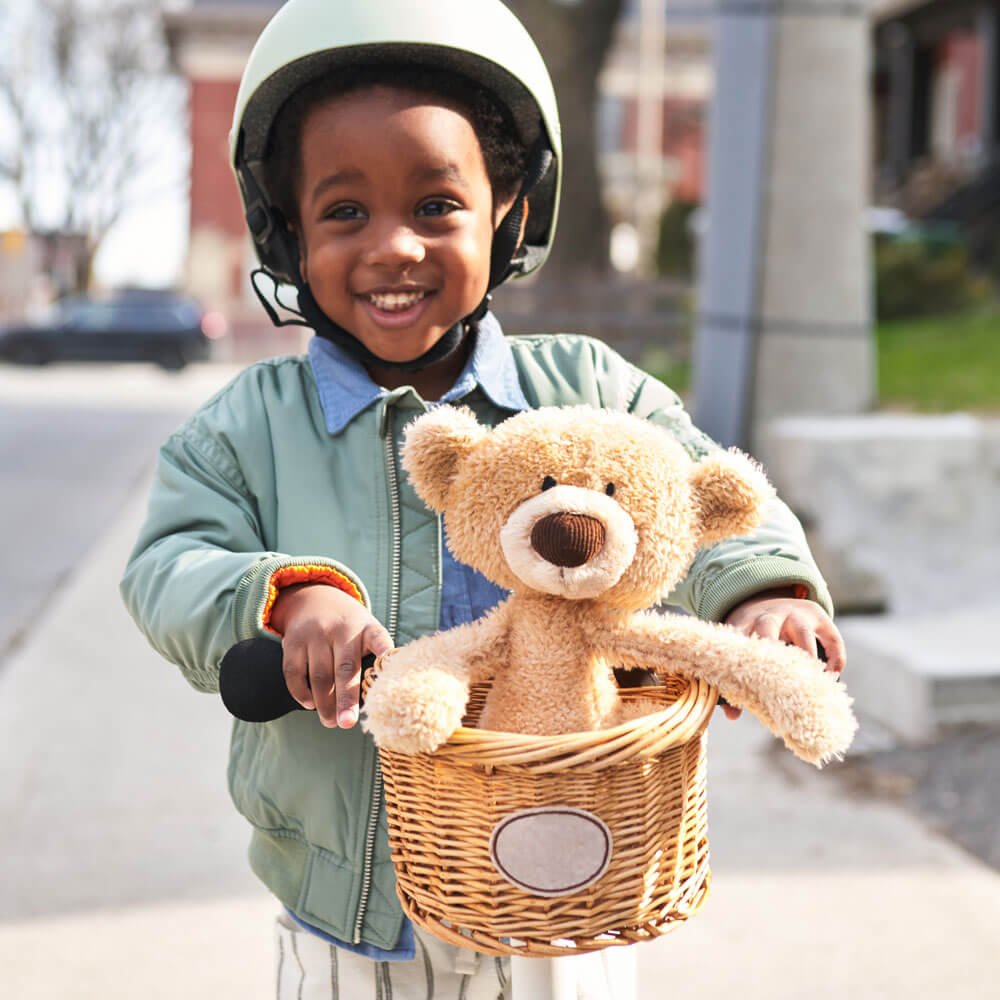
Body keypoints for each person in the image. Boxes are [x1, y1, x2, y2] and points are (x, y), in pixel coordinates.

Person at [120, 0, 846, 996]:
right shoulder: (248, 427)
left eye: (435, 207)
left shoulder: (590, 388)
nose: (394, 248)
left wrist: (759, 591)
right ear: (282, 228)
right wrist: (287, 595)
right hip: (352, 913)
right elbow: (170, 561)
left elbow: (706, 495)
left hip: (573, 891)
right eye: (343, 211)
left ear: (509, 207)